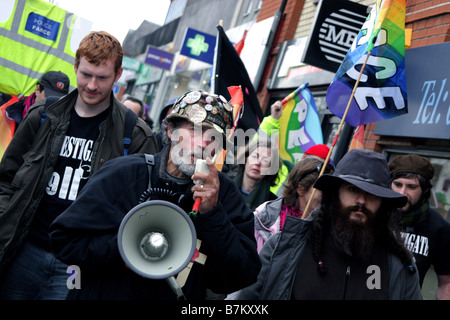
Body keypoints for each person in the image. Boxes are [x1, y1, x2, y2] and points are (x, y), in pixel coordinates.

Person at [49, 90, 261, 300]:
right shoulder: (125, 173)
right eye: (195, 130)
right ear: (170, 130)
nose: (204, 144)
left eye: (214, 138)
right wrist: (125, 250)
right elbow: (64, 239)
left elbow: (241, 275)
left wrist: (213, 214)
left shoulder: (223, 194)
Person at [0, 31, 157, 300]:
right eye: (86, 74)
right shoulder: (43, 116)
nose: (92, 85)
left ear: (118, 75)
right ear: (75, 67)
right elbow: (5, 178)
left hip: (78, 267)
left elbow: (143, 213)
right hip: (24, 250)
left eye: (102, 77)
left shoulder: (137, 135)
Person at [238, 149, 422, 300]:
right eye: (352, 189)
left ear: (383, 203)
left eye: (372, 194)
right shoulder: (285, 246)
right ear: (335, 193)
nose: (361, 201)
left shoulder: (400, 266)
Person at [389, 154, 450, 299]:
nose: (402, 193)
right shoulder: (375, 214)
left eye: (411, 187)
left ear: (425, 189)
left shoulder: (438, 227)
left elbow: (446, 284)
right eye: (397, 185)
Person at [253, 157, 334, 253]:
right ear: (301, 189)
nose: (327, 195)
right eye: (322, 189)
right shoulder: (266, 216)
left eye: (330, 190)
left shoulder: (328, 228)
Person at [5, 70, 70, 128]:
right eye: (48, 98)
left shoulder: (65, 123)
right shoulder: (9, 111)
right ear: (37, 89)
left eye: (59, 100)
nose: (53, 103)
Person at [233, 138, 281, 211]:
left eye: (265, 160)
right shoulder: (224, 185)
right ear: (246, 158)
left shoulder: (273, 204)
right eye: (255, 156)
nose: (258, 163)